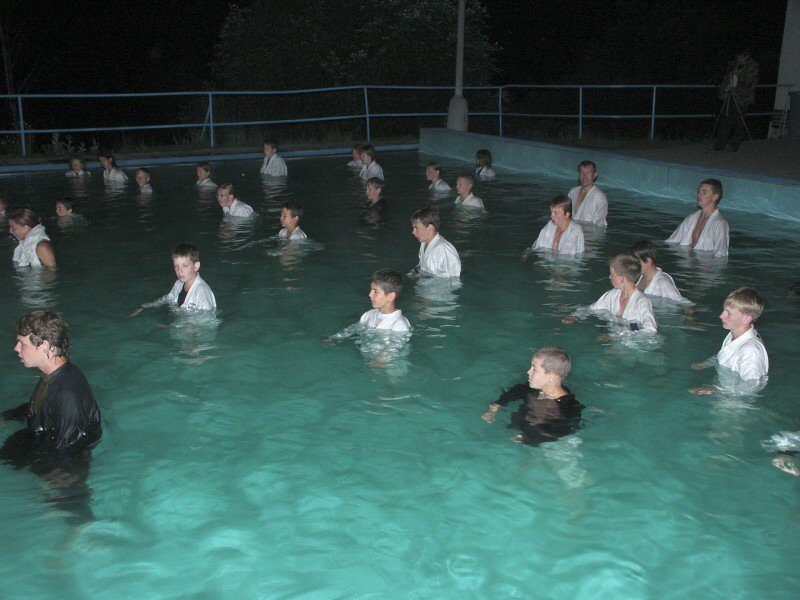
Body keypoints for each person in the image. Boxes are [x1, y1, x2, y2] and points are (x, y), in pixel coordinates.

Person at [1, 311, 102, 524]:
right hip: (41, 437)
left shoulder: (68, 393)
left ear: (44, 346)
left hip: (61, 454)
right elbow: (42, 406)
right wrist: (8, 416)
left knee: (72, 508)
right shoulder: (54, 375)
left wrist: (52, 482)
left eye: (22, 343)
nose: (16, 348)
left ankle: (81, 524)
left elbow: (70, 447)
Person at [481, 347, 584, 446]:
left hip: (539, 440)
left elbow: (562, 431)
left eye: (534, 369)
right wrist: (496, 405)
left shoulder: (569, 407)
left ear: (552, 376)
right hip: (521, 425)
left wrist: (529, 439)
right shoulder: (533, 388)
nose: (528, 372)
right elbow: (516, 391)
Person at [690, 287, 768, 393]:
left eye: (728, 313)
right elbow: (728, 353)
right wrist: (708, 363)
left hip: (736, 398)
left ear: (746, 319)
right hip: (727, 387)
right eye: (724, 310)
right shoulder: (735, 334)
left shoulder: (750, 351)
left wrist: (717, 390)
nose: (721, 315)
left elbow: (753, 385)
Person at [563, 253, 657, 335]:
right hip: (615, 339)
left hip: (635, 345)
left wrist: (618, 335)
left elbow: (650, 330)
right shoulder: (612, 295)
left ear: (622, 278)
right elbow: (592, 308)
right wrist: (575, 315)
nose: (609, 277)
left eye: (612, 274)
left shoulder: (642, 302)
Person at [130, 244, 216, 315]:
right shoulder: (179, 284)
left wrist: (174, 326)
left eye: (184, 266)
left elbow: (207, 320)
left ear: (196, 266)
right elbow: (169, 298)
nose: (180, 271)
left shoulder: (203, 292)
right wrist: (149, 306)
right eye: (176, 266)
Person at [665, 179, 729, 258]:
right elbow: (673, 240)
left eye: (704, 192)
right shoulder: (692, 217)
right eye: (699, 192)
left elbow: (721, 254)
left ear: (715, 197)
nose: (699, 195)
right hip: (687, 260)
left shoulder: (720, 224)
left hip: (707, 264)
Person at [336, 269, 411, 334]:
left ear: (391, 296)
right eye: (371, 290)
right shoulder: (368, 315)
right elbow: (352, 329)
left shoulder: (399, 325)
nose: (370, 294)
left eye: (375, 291)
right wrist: (334, 338)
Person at [713, 49, 759, 152]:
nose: (738, 59)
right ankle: (720, 144)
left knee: (738, 121)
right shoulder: (733, 65)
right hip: (730, 95)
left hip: (743, 97)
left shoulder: (752, 67)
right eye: (737, 57)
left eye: (740, 57)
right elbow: (726, 78)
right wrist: (725, 90)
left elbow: (749, 83)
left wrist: (737, 76)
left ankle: (734, 145)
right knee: (724, 119)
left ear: (746, 56)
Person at [410, 207, 461, 278]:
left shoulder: (443, 249)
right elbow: (421, 266)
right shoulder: (424, 244)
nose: (413, 232)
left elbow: (453, 279)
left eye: (416, 228)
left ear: (430, 228)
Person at [567, 160, 607, 227]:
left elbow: (600, 224)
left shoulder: (600, 197)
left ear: (594, 175)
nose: (584, 176)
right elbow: (565, 214)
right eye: (582, 173)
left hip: (589, 232)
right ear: (578, 175)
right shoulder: (573, 192)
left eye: (588, 173)